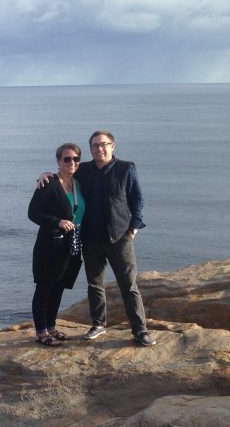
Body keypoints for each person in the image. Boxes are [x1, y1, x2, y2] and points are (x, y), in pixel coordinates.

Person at [38, 130, 155, 346]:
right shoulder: (84, 170)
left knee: (128, 285)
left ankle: (140, 330)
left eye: (103, 144)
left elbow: (137, 198)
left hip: (119, 237)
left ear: (113, 146)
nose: (99, 148)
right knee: (95, 285)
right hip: (91, 238)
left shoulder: (125, 168)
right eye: (94, 145)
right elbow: (63, 174)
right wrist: (45, 175)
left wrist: (134, 227)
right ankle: (98, 324)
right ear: (90, 149)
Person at [28, 143, 85, 346]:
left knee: (59, 287)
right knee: (44, 287)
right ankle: (41, 332)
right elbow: (33, 213)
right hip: (50, 245)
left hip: (71, 245)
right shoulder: (50, 183)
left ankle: (51, 327)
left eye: (76, 159)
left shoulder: (79, 181)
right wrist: (57, 221)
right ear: (58, 161)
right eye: (67, 159)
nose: (72, 163)